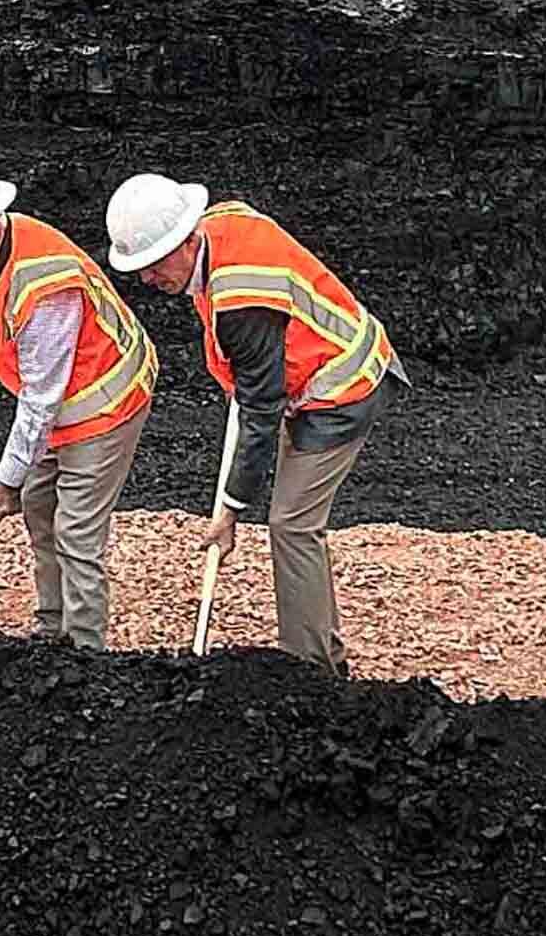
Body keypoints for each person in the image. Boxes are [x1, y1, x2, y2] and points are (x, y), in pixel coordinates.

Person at [104, 174, 400, 672]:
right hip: (316, 368)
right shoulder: (221, 225)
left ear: (186, 240)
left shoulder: (242, 303)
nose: (148, 279)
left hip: (343, 387)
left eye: (153, 264)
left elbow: (260, 410)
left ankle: (312, 671)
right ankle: (322, 651)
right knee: (292, 518)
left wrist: (231, 509)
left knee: (292, 524)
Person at [0, 154, 156, 645]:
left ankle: (85, 654)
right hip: (64, 403)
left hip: (105, 402)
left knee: (77, 532)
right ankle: (50, 636)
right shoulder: (3, 247)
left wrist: (5, 480)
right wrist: (20, 480)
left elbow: (41, 398)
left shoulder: (44, 287)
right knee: (40, 508)